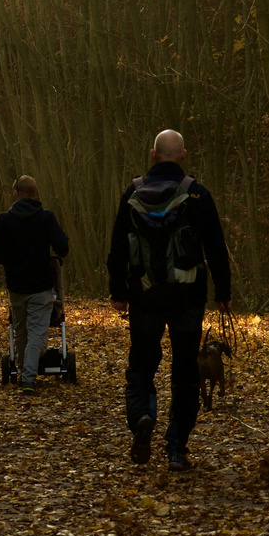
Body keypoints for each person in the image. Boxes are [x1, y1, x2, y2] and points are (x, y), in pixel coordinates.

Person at [107, 129, 231, 471]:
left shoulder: (132, 193)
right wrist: (223, 293)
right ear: (184, 155)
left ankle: (143, 417)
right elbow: (216, 248)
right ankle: (176, 446)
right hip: (187, 297)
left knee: (142, 367)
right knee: (185, 371)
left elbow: (118, 245)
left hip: (144, 295)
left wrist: (118, 290)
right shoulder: (197, 195)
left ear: (153, 155)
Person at [0, 175, 71, 394]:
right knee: (36, 333)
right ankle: (27, 378)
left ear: (16, 193)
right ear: (35, 193)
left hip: (16, 285)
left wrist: (10, 262)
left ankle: (25, 373)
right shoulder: (45, 218)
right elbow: (62, 246)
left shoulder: (4, 220)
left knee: (21, 331)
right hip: (41, 286)